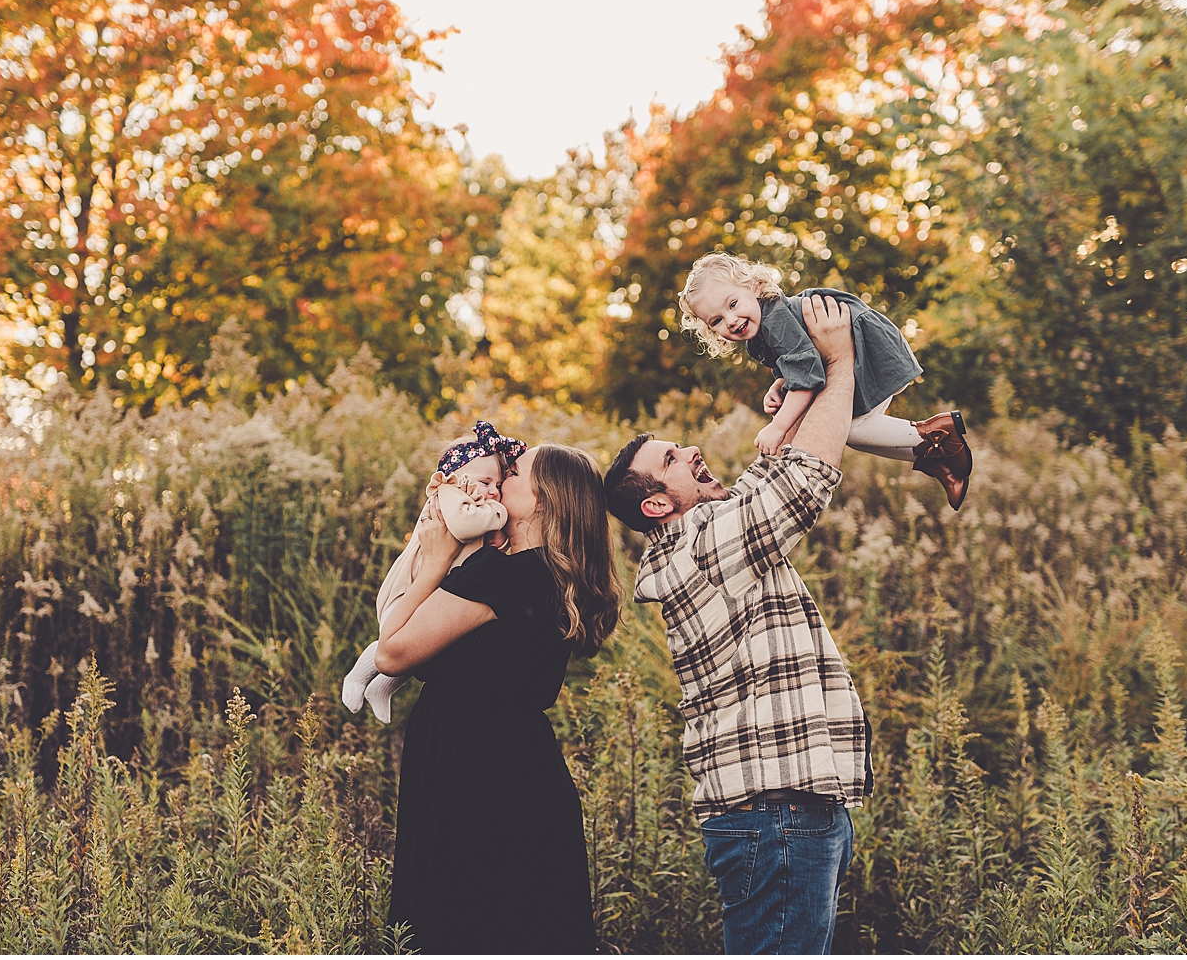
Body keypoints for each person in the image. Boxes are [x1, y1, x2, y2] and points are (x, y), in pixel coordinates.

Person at [603, 294, 867, 954]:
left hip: (785, 810)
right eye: (670, 458)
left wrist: (797, 398)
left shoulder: (705, 530)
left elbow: (776, 469)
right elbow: (805, 478)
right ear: (661, 503)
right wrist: (839, 366)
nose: (691, 448)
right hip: (776, 813)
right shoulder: (702, 540)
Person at [376, 442, 619, 954]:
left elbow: (392, 653)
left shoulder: (501, 576)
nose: (497, 480)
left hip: (471, 769)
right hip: (523, 764)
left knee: (465, 921)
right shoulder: (552, 576)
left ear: (544, 501)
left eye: (513, 475)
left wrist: (437, 560)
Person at [678, 251, 974, 510]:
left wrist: (778, 427)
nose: (729, 320)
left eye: (732, 304)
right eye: (716, 320)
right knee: (848, 432)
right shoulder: (761, 331)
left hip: (865, 349)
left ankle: (939, 434)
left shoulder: (774, 320)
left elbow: (808, 378)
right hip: (858, 351)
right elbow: (800, 360)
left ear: (754, 287)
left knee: (848, 428)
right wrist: (780, 384)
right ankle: (938, 460)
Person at [341, 421, 526, 723]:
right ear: (458, 475)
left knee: (423, 646)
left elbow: (477, 543)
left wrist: (497, 538)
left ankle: (381, 689)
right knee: (398, 641)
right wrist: (499, 513)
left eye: (498, 484)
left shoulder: (473, 501)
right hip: (409, 589)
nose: (494, 491)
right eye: (486, 482)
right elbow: (465, 526)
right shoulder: (450, 491)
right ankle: (357, 678)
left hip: (435, 590)